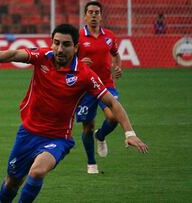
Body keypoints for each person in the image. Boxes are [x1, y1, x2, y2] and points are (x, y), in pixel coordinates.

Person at [0, 23, 148, 203]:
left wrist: (129, 132)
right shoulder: (43, 56)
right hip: (28, 133)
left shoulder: (85, 75)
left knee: (37, 171)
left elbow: (111, 102)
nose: (60, 49)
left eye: (66, 44)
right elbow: (15, 54)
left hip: (58, 138)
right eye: (56, 43)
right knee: (12, 182)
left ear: (76, 47)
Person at [76, 0, 124, 174]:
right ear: (85, 16)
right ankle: (91, 163)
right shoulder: (78, 37)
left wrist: (118, 66)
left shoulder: (109, 36)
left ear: (101, 16)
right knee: (87, 126)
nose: (94, 15)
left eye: (97, 12)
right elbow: (66, 61)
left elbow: (116, 55)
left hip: (106, 85)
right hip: (85, 87)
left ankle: (101, 135)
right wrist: (80, 62)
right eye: (90, 12)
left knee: (114, 117)